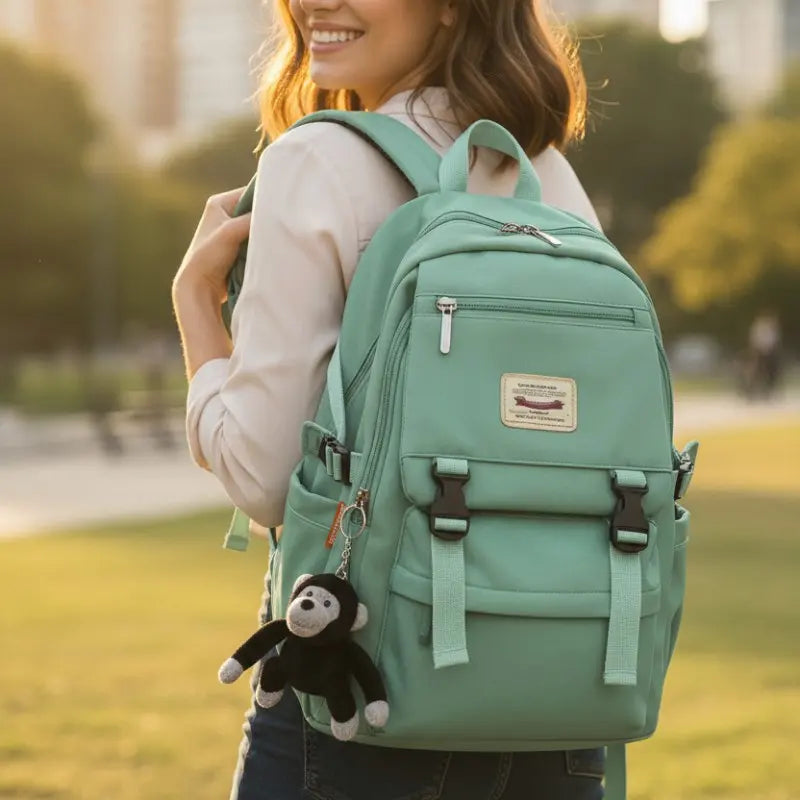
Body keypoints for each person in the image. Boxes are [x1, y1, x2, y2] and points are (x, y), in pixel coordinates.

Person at [172, 0, 605, 797]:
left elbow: (265, 477)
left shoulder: (316, 160)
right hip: (565, 698)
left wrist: (197, 307)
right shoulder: (540, 166)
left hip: (365, 696)